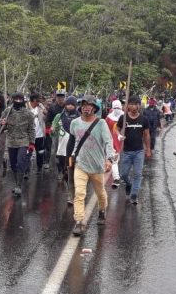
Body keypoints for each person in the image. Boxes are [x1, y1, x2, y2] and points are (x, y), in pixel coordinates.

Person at [68, 95, 114, 236]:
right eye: (84, 104)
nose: (86, 107)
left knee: (100, 192)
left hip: (97, 166)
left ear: (94, 108)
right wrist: (68, 158)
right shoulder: (75, 123)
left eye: (89, 105)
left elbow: (108, 142)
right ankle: (79, 221)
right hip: (80, 164)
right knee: (80, 193)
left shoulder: (101, 124)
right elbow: (71, 141)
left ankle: (102, 211)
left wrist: (109, 159)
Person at [117, 95, 152, 204]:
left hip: (139, 151)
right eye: (131, 104)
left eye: (136, 104)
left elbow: (146, 135)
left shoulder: (143, 119)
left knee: (137, 174)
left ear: (139, 106)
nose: (133, 106)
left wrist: (148, 149)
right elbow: (116, 129)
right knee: (123, 174)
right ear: (128, 106)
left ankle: (134, 195)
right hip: (126, 151)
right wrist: (119, 135)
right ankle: (128, 184)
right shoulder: (123, 118)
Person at [2, 92, 35, 197]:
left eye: (20, 99)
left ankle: (19, 186)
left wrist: (32, 143)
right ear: (12, 100)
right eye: (16, 99)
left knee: (21, 162)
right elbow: (1, 125)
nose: (18, 101)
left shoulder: (28, 113)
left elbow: (32, 129)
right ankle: (16, 182)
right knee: (13, 164)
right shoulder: (7, 111)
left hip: (23, 141)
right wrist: (2, 123)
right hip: (11, 141)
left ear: (23, 100)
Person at [51, 96, 79, 204]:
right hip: (61, 149)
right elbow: (54, 131)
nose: (70, 106)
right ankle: (63, 175)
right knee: (64, 170)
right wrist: (53, 130)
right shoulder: (59, 116)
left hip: (72, 152)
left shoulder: (79, 117)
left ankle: (71, 195)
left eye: (72, 104)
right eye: (68, 104)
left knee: (70, 170)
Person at [104, 99, 123, 188]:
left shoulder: (125, 117)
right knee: (114, 160)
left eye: (117, 107)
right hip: (113, 141)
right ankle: (116, 177)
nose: (116, 109)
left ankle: (118, 177)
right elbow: (104, 129)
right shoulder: (109, 118)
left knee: (116, 160)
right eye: (115, 108)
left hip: (122, 141)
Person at [28, 92, 47, 174]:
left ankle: (39, 168)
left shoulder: (41, 107)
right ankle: (26, 170)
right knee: (28, 152)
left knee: (40, 152)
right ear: (33, 100)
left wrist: (46, 114)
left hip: (40, 134)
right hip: (29, 135)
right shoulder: (25, 107)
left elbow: (46, 119)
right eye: (38, 99)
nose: (39, 101)